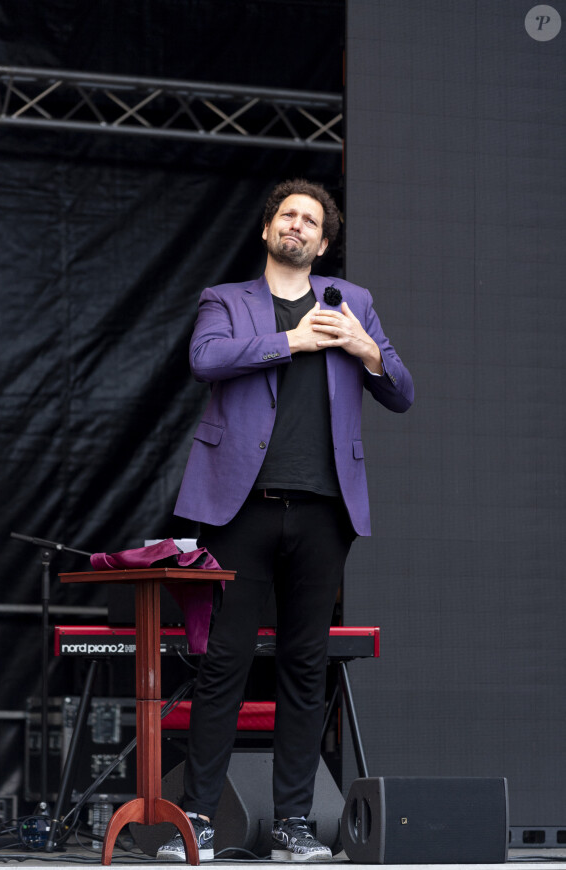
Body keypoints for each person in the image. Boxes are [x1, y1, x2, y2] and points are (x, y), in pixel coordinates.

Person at [157, 179, 414, 862]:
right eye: (287, 215)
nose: (297, 225)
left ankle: (295, 826)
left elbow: (402, 392)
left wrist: (365, 349)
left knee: (306, 667)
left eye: (310, 220)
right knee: (223, 664)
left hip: (325, 509)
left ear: (323, 243)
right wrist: (290, 340)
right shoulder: (227, 300)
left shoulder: (353, 302)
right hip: (238, 506)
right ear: (268, 229)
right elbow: (205, 360)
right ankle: (199, 820)